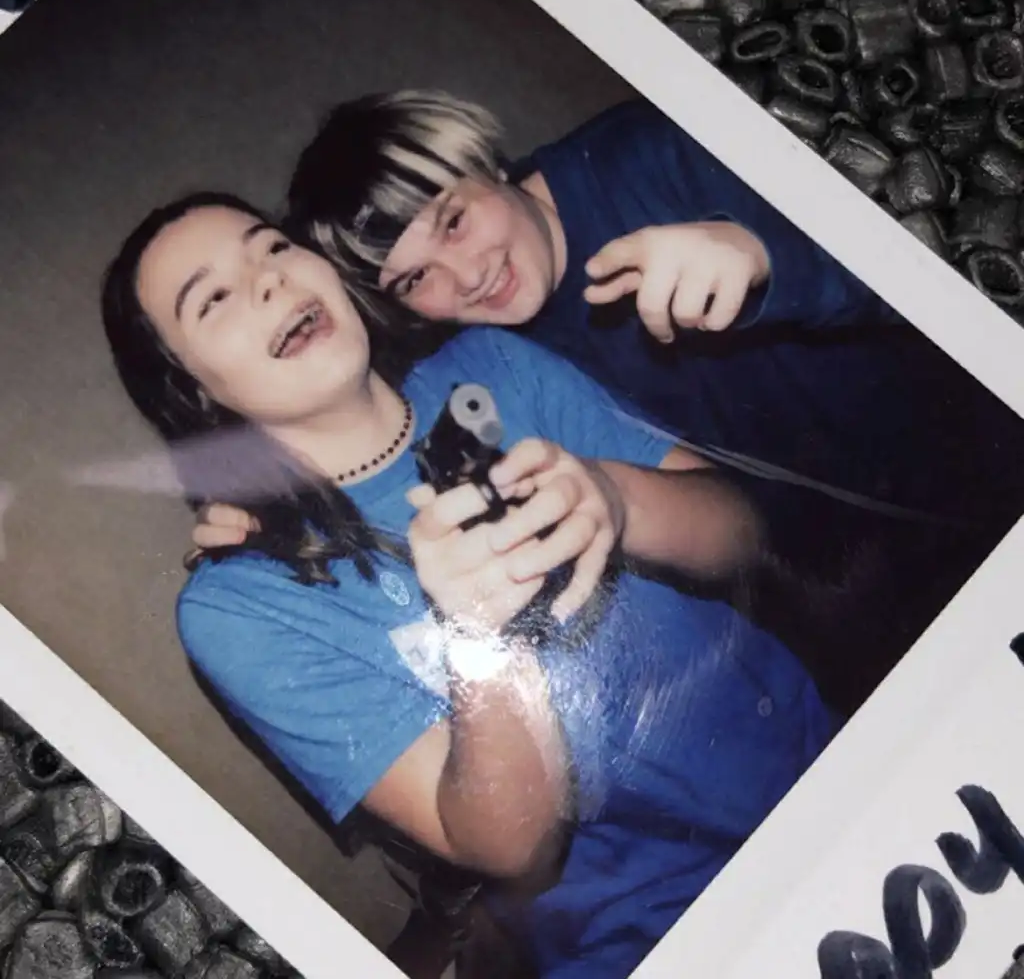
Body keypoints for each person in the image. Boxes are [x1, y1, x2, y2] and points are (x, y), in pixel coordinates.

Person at [101, 193, 837, 979]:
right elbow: (511, 847)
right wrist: (480, 638)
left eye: (273, 247)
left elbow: (741, 538)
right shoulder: (243, 608)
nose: (268, 280)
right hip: (657, 926)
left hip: (818, 767)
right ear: (194, 390)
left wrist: (614, 497)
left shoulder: (495, 368)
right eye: (214, 298)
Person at [194, 92, 1024, 711]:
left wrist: (765, 252)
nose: (465, 276)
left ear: (485, 162)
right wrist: (273, 497)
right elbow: (371, 420)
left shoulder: (656, 150)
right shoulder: (482, 355)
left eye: (453, 221)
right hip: (869, 591)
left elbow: (957, 239)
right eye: (414, 279)